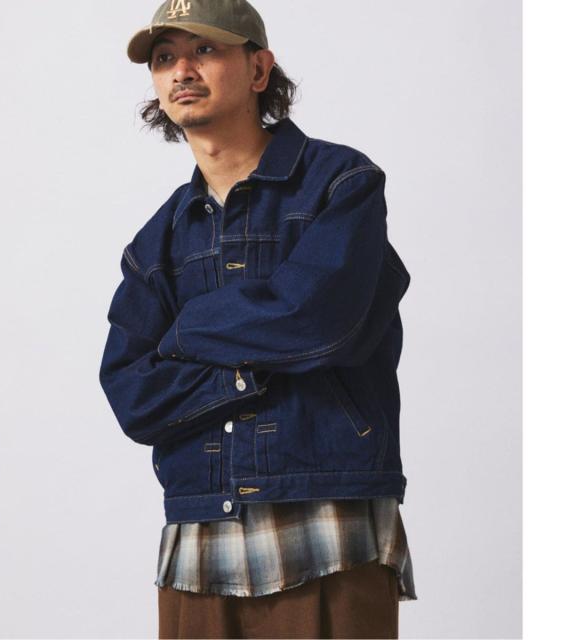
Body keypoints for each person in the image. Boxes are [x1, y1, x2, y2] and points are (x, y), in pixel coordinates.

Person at [100, 1, 417, 637]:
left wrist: (185, 333)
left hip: (328, 518)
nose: (181, 70)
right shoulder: (155, 242)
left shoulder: (340, 184)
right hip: (199, 533)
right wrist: (257, 369)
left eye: (205, 50)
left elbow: (317, 319)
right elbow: (133, 394)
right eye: (164, 58)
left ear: (259, 69)